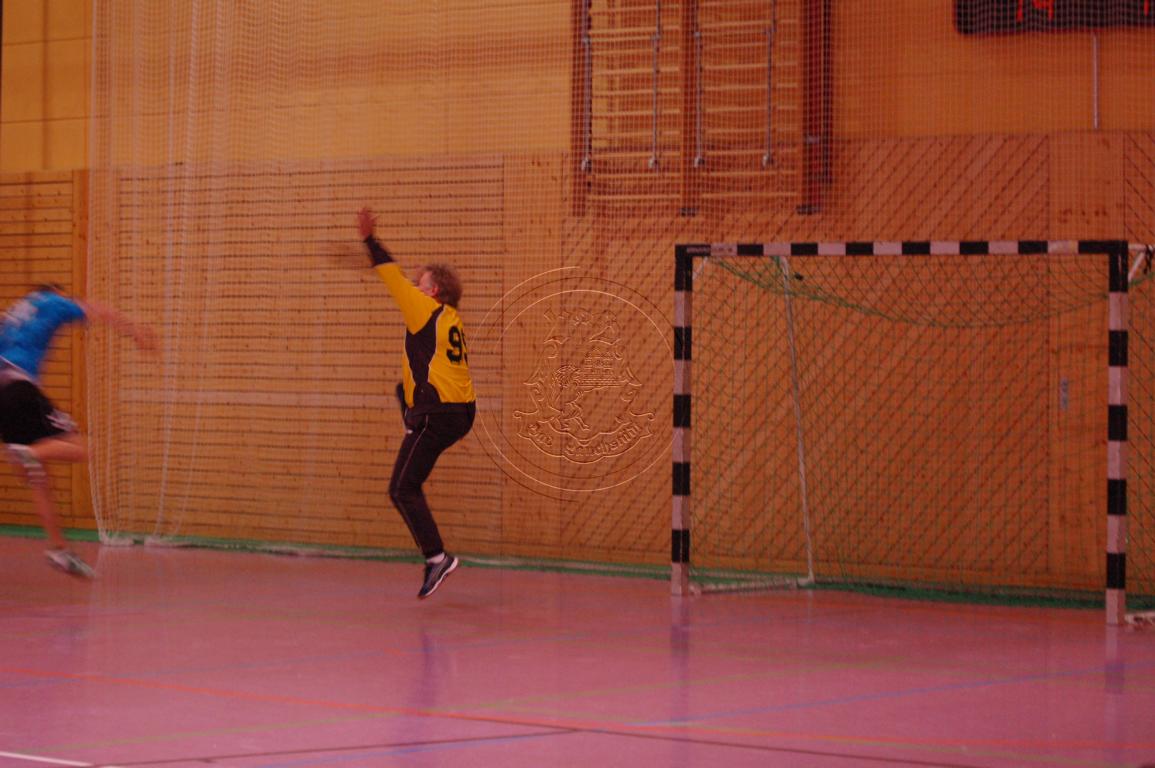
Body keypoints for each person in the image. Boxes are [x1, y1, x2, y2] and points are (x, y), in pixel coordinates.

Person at [357, 208, 476, 599]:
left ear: (433, 291)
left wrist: (370, 240)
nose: (413, 285)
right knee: (403, 389)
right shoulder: (450, 319)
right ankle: (411, 419)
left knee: (402, 488)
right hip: (459, 411)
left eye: (419, 283)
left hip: (437, 414)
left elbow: (391, 275)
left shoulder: (425, 309)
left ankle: (437, 558)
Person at [0, 284, 156, 577]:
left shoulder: (11, 316)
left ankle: (59, 550)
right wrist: (134, 330)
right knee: (85, 447)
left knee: (38, 478)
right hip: (19, 388)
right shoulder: (53, 301)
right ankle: (31, 452)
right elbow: (97, 310)